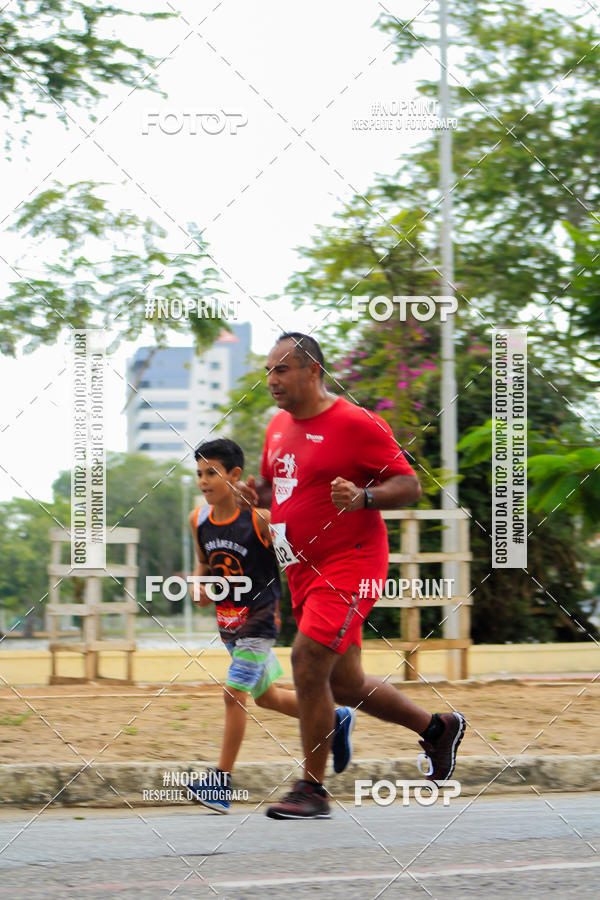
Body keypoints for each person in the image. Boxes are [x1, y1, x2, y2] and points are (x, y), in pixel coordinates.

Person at [237, 333, 466, 820]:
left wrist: (363, 498)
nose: (272, 380)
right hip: (301, 569)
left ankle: (312, 790)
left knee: (306, 660)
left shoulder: (354, 422)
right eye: (268, 372)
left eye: (281, 369)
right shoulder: (276, 428)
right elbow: (280, 493)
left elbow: (409, 485)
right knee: (343, 682)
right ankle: (437, 728)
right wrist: (251, 497)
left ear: (312, 371)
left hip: (352, 564)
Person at [186, 437, 356, 814]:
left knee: (234, 695)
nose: (203, 481)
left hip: (260, 621)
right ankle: (336, 719)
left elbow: (290, 556)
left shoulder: (259, 519)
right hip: (229, 623)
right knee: (269, 697)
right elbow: (204, 561)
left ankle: (219, 782)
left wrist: (269, 516)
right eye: (199, 473)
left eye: (211, 472)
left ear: (235, 476)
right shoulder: (197, 519)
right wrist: (198, 582)